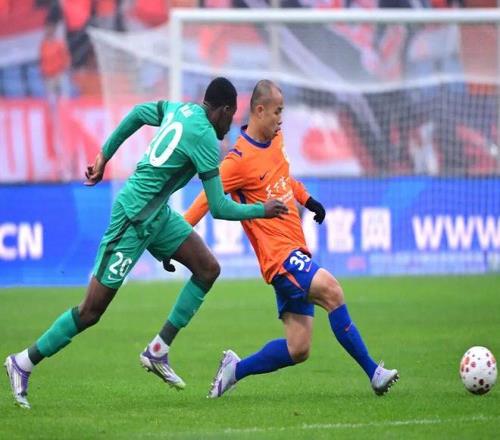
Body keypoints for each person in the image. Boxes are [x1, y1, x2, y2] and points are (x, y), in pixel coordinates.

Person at [4, 77, 288, 409]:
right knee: (91, 311)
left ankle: (158, 350)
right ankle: (23, 362)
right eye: (231, 116)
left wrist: (104, 156)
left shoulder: (179, 109)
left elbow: (138, 113)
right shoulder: (206, 140)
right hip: (132, 218)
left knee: (207, 268)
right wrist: (262, 210)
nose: (230, 126)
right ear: (224, 110)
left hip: (157, 215)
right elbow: (220, 208)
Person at [180, 80, 399, 398]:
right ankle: (374, 373)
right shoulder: (236, 162)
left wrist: (308, 200)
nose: (281, 119)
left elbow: (284, 177)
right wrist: (176, 241)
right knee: (332, 291)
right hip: (279, 258)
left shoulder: (276, 140)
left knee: (299, 348)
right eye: (277, 112)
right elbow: (202, 203)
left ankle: (234, 369)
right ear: (259, 110)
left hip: (296, 249)